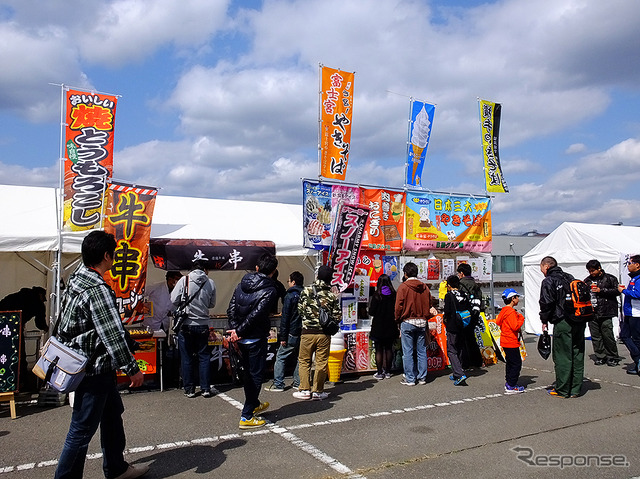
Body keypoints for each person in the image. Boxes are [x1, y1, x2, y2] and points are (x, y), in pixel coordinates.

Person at [54, 230, 148, 479]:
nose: (115, 259)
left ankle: (116, 468)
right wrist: (133, 369)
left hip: (91, 366)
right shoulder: (97, 288)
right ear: (106, 256)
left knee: (112, 416)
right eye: (113, 254)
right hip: (93, 369)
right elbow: (111, 334)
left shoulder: (77, 278)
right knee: (81, 430)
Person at [227, 253, 279, 429]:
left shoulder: (241, 284)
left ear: (257, 268)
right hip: (255, 338)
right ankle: (246, 415)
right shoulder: (270, 290)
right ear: (273, 271)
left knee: (249, 375)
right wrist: (239, 332)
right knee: (255, 376)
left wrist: (236, 331)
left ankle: (254, 403)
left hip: (242, 338)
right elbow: (257, 315)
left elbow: (231, 309)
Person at [539, 256, 585, 398]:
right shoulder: (569, 277)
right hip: (579, 318)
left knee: (563, 355)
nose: (541, 271)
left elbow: (546, 303)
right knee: (577, 353)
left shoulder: (549, 280)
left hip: (563, 321)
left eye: (541, 268)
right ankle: (575, 389)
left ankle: (563, 389)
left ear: (546, 266)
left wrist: (544, 320)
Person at [293, 265, 340, 401]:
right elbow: (337, 316)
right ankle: (318, 391)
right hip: (324, 334)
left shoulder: (306, 290)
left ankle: (305, 389)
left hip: (307, 332)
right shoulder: (331, 295)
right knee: (321, 362)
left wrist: (309, 319)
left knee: (304, 361)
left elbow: (300, 310)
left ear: (317, 276)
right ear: (330, 279)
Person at [171, 261, 216, 398]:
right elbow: (212, 304)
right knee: (204, 357)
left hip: (186, 324)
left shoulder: (184, 280)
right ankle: (205, 389)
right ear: (205, 269)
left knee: (187, 357)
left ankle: (189, 389)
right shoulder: (211, 282)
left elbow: (173, 299)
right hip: (203, 324)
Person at [0, 286, 48, 389]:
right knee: (19, 355)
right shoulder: (37, 303)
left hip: (3, 326)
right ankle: (20, 382)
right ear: (40, 295)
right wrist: (46, 328)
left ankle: (8, 383)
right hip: (14, 329)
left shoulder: (16, 296)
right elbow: (40, 323)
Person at [265, 271, 304, 392]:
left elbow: (285, 318)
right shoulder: (306, 294)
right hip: (303, 331)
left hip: (291, 331)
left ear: (293, 282)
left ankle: (279, 384)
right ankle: (298, 382)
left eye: (289, 281)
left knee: (281, 357)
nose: (288, 283)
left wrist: (283, 337)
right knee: (300, 358)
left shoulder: (290, 296)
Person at [394, 262, 433, 386]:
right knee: (422, 351)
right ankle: (422, 377)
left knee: (408, 352)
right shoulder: (425, 287)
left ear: (405, 274)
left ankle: (410, 378)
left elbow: (398, 307)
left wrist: (397, 319)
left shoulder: (403, 287)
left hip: (407, 322)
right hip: (422, 322)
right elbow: (430, 304)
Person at [583, 260, 622, 367]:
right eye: (589, 271)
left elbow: (617, 291)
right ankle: (600, 356)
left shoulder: (610, 278)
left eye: (593, 270)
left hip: (606, 311)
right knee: (595, 335)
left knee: (607, 334)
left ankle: (612, 356)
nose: (591, 273)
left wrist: (601, 290)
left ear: (599, 268)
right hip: (592, 311)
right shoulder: (587, 280)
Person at [495, 288, 525, 394]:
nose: (518, 299)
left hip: (505, 341)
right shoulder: (511, 312)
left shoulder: (504, 310)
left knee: (510, 363)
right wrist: (521, 318)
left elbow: (498, 321)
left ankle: (509, 383)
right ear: (513, 299)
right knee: (516, 364)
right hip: (511, 341)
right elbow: (515, 326)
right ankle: (511, 385)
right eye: (517, 297)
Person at [369, 274, 398, 380]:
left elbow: (371, 312)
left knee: (379, 349)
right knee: (389, 348)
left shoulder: (377, 295)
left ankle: (380, 372)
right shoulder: (394, 294)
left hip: (378, 326)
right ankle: (388, 372)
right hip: (391, 324)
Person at [443, 275, 470, 386]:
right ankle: (456, 372)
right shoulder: (464, 294)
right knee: (459, 348)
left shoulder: (449, 296)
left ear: (449, 285)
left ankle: (459, 374)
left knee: (451, 350)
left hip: (453, 325)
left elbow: (447, 311)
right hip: (463, 325)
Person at [457, 263, 484, 369]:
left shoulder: (461, 284)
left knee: (463, 340)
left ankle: (466, 363)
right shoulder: (475, 284)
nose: (458, 275)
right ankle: (477, 361)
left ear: (462, 273)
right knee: (471, 338)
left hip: (464, 315)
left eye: (459, 273)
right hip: (474, 314)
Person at [618, 254, 640, 375]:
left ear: (637, 265)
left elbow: (638, 294)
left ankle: (638, 361)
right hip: (630, 311)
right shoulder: (634, 278)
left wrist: (624, 291)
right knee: (625, 336)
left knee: (636, 339)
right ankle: (637, 360)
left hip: (636, 313)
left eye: (630, 264)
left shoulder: (639, 278)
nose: (628, 266)